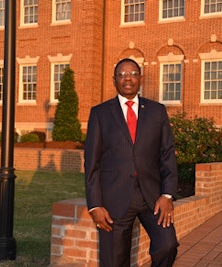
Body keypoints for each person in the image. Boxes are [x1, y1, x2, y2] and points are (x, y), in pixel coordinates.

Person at [84, 58, 179, 267]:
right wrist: (95, 205)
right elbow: (92, 163)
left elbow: (167, 154)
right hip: (114, 199)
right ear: (114, 80)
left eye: (133, 73)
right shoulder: (100, 113)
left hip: (152, 198)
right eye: (122, 74)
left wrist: (167, 194)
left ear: (140, 79)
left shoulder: (157, 111)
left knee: (168, 244)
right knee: (114, 261)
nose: (128, 78)